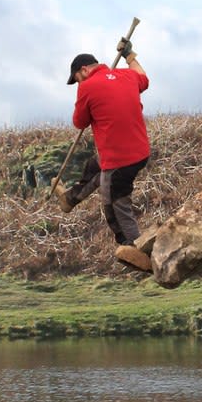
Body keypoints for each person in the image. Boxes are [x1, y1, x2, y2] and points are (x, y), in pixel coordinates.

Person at [68, 48, 153, 272]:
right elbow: (143, 76)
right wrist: (130, 55)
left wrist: (85, 95)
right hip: (139, 152)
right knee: (94, 167)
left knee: (115, 206)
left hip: (119, 162)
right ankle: (71, 198)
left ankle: (138, 251)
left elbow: (79, 122)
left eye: (77, 79)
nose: (78, 85)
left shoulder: (87, 88)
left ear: (84, 70)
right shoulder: (127, 76)